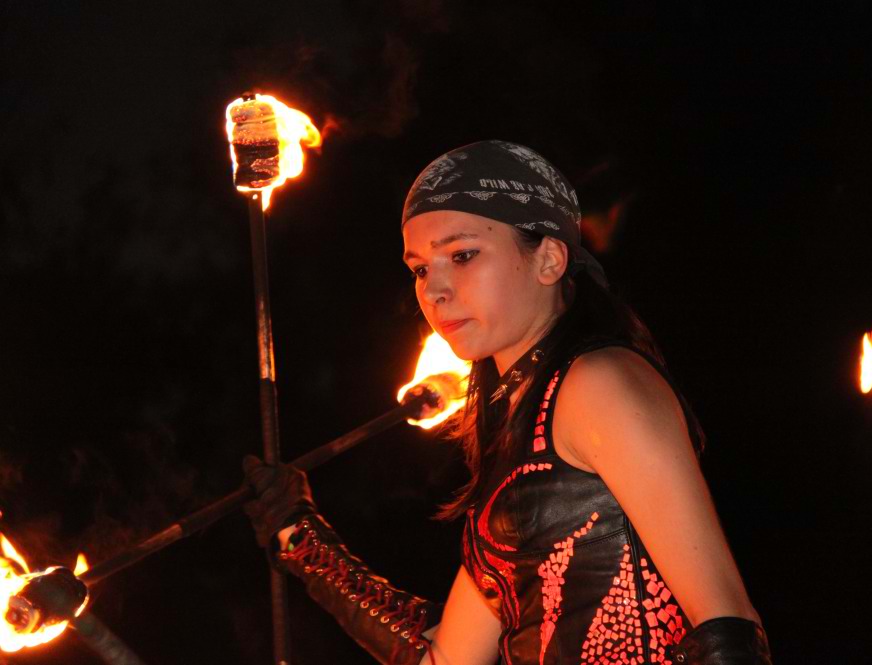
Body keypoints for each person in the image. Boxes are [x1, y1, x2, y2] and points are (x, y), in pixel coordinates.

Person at [243, 140, 772, 665]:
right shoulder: (521, 434)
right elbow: (443, 658)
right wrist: (301, 538)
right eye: (420, 268)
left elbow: (726, 628)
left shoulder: (599, 383)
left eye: (462, 255)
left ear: (549, 258)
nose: (434, 290)